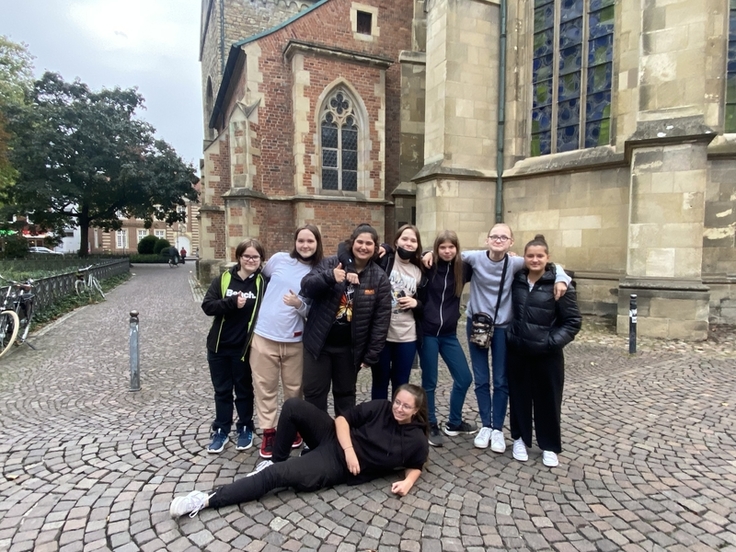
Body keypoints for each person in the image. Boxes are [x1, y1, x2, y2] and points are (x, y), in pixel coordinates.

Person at [169, 384, 430, 518]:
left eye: (406, 406)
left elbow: (416, 465)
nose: (398, 408)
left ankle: (205, 500)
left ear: (416, 410)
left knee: (276, 477)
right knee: (294, 405)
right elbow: (342, 420)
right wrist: (349, 448)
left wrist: (407, 482)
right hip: (336, 438)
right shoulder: (381, 407)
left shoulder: (415, 440)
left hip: (335, 464)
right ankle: (274, 460)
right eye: (397, 401)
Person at [423, 223, 570, 452]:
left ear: (511, 242)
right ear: (487, 239)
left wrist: (561, 279)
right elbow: (446, 253)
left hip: (503, 327)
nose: (499, 240)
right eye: (495, 236)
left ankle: (498, 429)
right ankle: (486, 425)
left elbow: (548, 263)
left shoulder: (516, 262)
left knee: (501, 380)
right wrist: (427, 254)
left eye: (504, 237)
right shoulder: (474, 258)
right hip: (478, 325)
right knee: (481, 378)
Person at [300, 224, 391, 416]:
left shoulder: (379, 277)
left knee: (345, 396)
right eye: (360, 242)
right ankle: (317, 440)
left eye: (369, 243)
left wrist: (371, 353)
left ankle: (343, 440)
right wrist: (329, 277)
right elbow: (306, 287)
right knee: (314, 394)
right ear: (352, 243)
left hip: (349, 350)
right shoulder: (331, 263)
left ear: (375, 247)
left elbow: (381, 319)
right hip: (319, 345)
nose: (363, 247)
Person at [506, 235, 581, 467]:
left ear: (548, 258)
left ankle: (549, 445)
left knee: (548, 400)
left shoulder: (560, 285)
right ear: (524, 258)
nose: (535, 260)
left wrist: (550, 342)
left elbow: (572, 321)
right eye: (530, 256)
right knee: (519, 398)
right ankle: (519, 438)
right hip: (518, 350)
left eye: (540, 256)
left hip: (547, 354)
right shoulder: (517, 279)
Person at [250, 225, 324, 459]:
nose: (305, 245)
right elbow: (260, 280)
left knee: (294, 390)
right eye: (301, 240)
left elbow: (317, 311)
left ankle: (293, 427)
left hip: (296, 340)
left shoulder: (320, 270)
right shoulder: (279, 260)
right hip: (265, 336)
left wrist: (298, 305)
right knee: (265, 387)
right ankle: (269, 431)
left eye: (310, 241)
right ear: (294, 242)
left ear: (317, 243)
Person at [201, 239, 266, 453]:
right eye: (246, 256)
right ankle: (221, 430)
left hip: (245, 349)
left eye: (255, 257)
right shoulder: (224, 279)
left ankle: (245, 427)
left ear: (260, 260)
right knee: (222, 391)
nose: (250, 260)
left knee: (244, 390)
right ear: (239, 257)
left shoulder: (262, 283)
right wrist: (231, 303)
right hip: (219, 347)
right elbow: (208, 306)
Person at [417, 230, 476, 447]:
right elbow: (400, 253)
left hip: (449, 334)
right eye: (443, 247)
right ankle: (430, 424)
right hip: (429, 333)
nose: (447, 251)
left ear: (457, 249)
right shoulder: (428, 266)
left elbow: (490, 260)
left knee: (464, 378)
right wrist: (425, 253)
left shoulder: (464, 268)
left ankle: (454, 422)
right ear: (436, 249)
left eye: (451, 247)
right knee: (430, 381)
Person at [372, 224, 425, 401]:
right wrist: (384, 247)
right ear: (396, 241)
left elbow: (426, 304)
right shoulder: (384, 260)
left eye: (413, 240)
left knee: (401, 383)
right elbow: (347, 249)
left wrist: (415, 303)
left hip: (407, 336)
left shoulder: (419, 271)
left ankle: (397, 422)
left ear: (417, 245)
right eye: (405, 238)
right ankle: (378, 422)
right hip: (383, 335)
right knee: (379, 381)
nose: (408, 243)